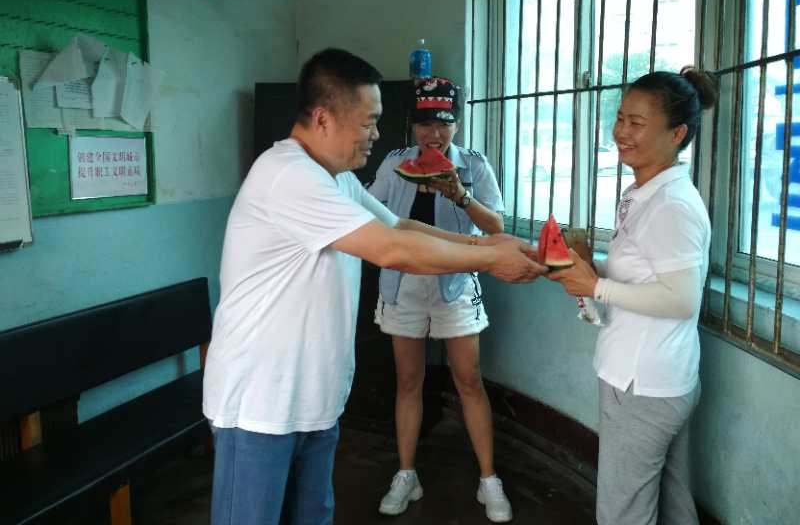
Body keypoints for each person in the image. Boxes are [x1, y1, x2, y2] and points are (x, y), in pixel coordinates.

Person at [202, 49, 547, 525]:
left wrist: (491, 241)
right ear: (323, 119)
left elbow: (399, 227)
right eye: (369, 122)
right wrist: (490, 258)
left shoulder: (337, 178)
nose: (377, 134)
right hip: (261, 406)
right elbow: (391, 250)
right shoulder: (288, 175)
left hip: (313, 401)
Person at [548, 67, 719, 525]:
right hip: (656, 378)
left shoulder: (673, 205)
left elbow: (681, 299)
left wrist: (596, 286)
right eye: (621, 118)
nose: (621, 132)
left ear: (677, 134)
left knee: (622, 512)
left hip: (643, 385)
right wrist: (588, 267)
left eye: (637, 123)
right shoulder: (646, 192)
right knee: (672, 501)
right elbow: (645, 275)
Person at [367, 76, 513, 523]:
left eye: (444, 124)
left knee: (469, 380)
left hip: (455, 285)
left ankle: (489, 479)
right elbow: (369, 213)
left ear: (457, 124)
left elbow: (496, 228)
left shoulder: (474, 165)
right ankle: (406, 474)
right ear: (412, 125)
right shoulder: (395, 163)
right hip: (403, 284)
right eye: (425, 124)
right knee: (408, 382)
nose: (434, 134)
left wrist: (460, 194)